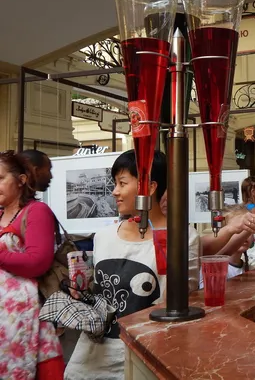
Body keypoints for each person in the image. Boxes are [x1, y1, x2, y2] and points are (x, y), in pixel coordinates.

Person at [65, 150, 200, 379]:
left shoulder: (182, 237)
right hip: (90, 361)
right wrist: (79, 294)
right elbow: (100, 295)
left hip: (143, 360)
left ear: (150, 187)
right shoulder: (104, 236)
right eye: (114, 183)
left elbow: (181, 303)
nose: (114, 192)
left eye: (122, 183)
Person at [0, 151, 63, 379]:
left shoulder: (36, 211)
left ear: (21, 180)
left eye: (0, 178)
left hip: (24, 319)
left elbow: (37, 262)